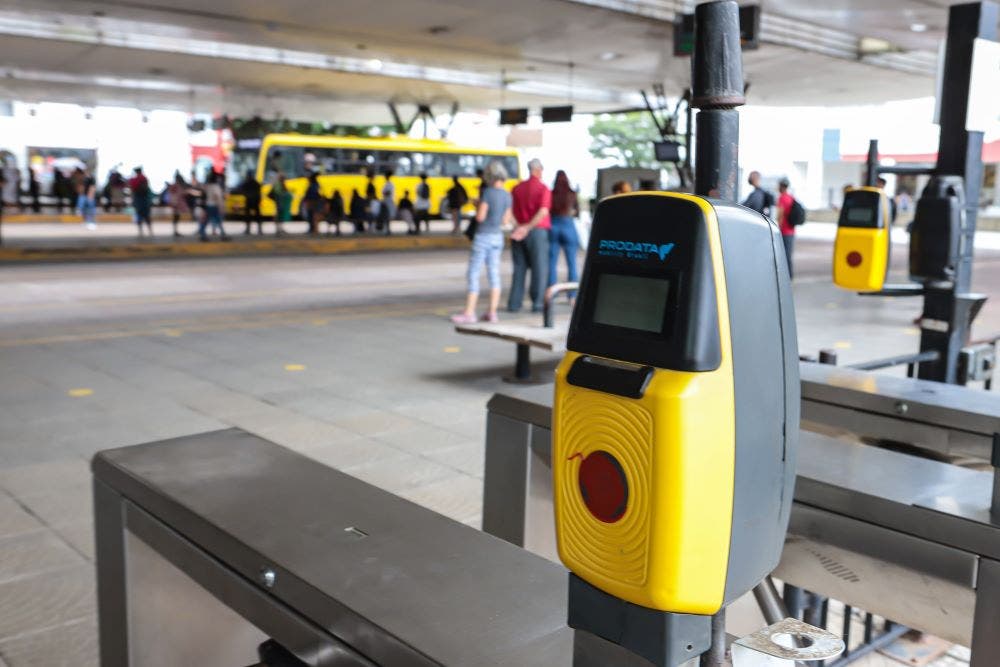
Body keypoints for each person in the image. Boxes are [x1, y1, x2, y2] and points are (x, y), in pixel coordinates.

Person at [451, 161, 513, 324]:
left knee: (473, 272)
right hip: (497, 236)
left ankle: (469, 312)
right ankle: (492, 312)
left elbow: (480, 217)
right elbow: (506, 221)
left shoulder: (488, 193)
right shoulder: (507, 195)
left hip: (483, 236)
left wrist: (478, 205)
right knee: (494, 273)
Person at [508, 158, 551, 313]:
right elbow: (543, 211)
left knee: (519, 268)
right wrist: (528, 227)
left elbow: (509, 211)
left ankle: (514, 304)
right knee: (539, 268)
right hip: (537, 232)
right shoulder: (543, 188)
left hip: (518, 232)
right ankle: (537, 303)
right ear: (538, 170)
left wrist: (519, 227)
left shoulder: (516, 188)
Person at [548, 170, 580, 297]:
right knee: (572, 263)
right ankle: (572, 295)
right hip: (568, 225)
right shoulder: (572, 194)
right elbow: (577, 213)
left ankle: (552, 294)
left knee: (552, 263)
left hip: (554, 225)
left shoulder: (551, 193)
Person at [774, 178, 797, 278]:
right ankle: (790, 275)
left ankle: (786, 276)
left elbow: (780, 215)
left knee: (783, 254)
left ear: (781, 186)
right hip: (791, 230)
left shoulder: (782, 198)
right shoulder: (791, 197)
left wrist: (777, 227)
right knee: (788, 254)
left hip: (784, 231)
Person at [198, 170, 227, 241]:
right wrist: (221, 206)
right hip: (214, 206)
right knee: (218, 220)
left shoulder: (208, 186)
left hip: (208, 205)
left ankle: (202, 234)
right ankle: (223, 235)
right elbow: (217, 197)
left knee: (207, 221)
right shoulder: (216, 187)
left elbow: (204, 195)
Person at [129, 167, 153, 237]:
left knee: (140, 215)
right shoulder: (143, 178)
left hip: (139, 199)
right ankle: (149, 231)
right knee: (146, 216)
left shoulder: (134, 180)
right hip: (143, 199)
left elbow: (132, 190)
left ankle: (141, 231)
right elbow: (147, 188)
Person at [166, 172, 191, 237]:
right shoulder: (176, 186)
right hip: (176, 204)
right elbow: (180, 194)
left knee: (176, 217)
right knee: (176, 217)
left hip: (175, 203)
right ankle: (175, 231)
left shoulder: (174, 186)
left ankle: (175, 231)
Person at [240, 170, 263, 235]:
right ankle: (259, 230)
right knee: (257, 216)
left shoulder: (246, 183)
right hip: (255, 201)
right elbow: (259, 193)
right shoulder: (256, 183)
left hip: (249, 201)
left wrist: (248, 195)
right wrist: (259, 200)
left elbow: (243, 191)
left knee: (248, 216)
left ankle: (248, 230)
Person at [378, 169, 396, 235]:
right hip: (386, 201)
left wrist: (384, 193)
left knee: (387, 216)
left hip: (388, 201)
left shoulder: (389, 184)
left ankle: (388, 230)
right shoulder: (387, 184)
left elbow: (387, 192)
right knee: (386, 216)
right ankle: (387, 229)